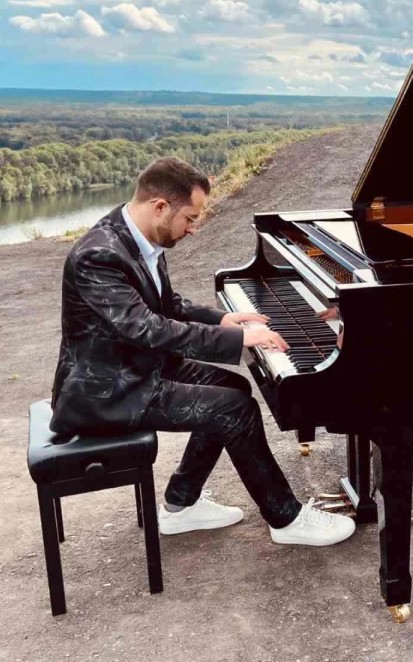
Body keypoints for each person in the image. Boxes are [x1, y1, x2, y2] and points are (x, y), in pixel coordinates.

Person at [50, 157, 355, 546]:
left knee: (234, 388)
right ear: (160, 206)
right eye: (189, 219)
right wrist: (238, 340)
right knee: (233, 409)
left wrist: (222, 320)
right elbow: (145, 328)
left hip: (136, 369)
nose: (192, 230)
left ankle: (182, 504)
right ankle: (286, 519)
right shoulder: (99, 255)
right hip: (108, 390)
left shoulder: (137, 237)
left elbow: (166, 305)